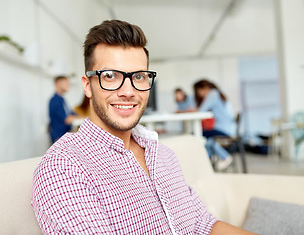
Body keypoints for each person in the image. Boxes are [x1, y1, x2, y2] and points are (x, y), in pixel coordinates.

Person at [32, 20, 256, 234]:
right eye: (110, 76)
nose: (128, 91)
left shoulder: (164, 155)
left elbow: (202, 225)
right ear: (87, 86)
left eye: (138, 76)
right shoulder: (66, 167)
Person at [193, 79, 236, 170]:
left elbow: (201, 110)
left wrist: (187, 111)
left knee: (197, 135)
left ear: (204, 88)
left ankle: (223, 157)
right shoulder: (217, 93)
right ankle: (209, 161)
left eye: (198, 91)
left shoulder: (212, 94)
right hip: (228, 129)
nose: (199, 94)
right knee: (207, 140)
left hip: (224, 130)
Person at [48, 76, 77, 143]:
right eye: (65, 83)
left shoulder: (62, 100)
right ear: (58, 83)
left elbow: (72, 114)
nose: (68, 85)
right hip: (59, 137)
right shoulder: (54, 101)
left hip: (65, 135)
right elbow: (67, 120)